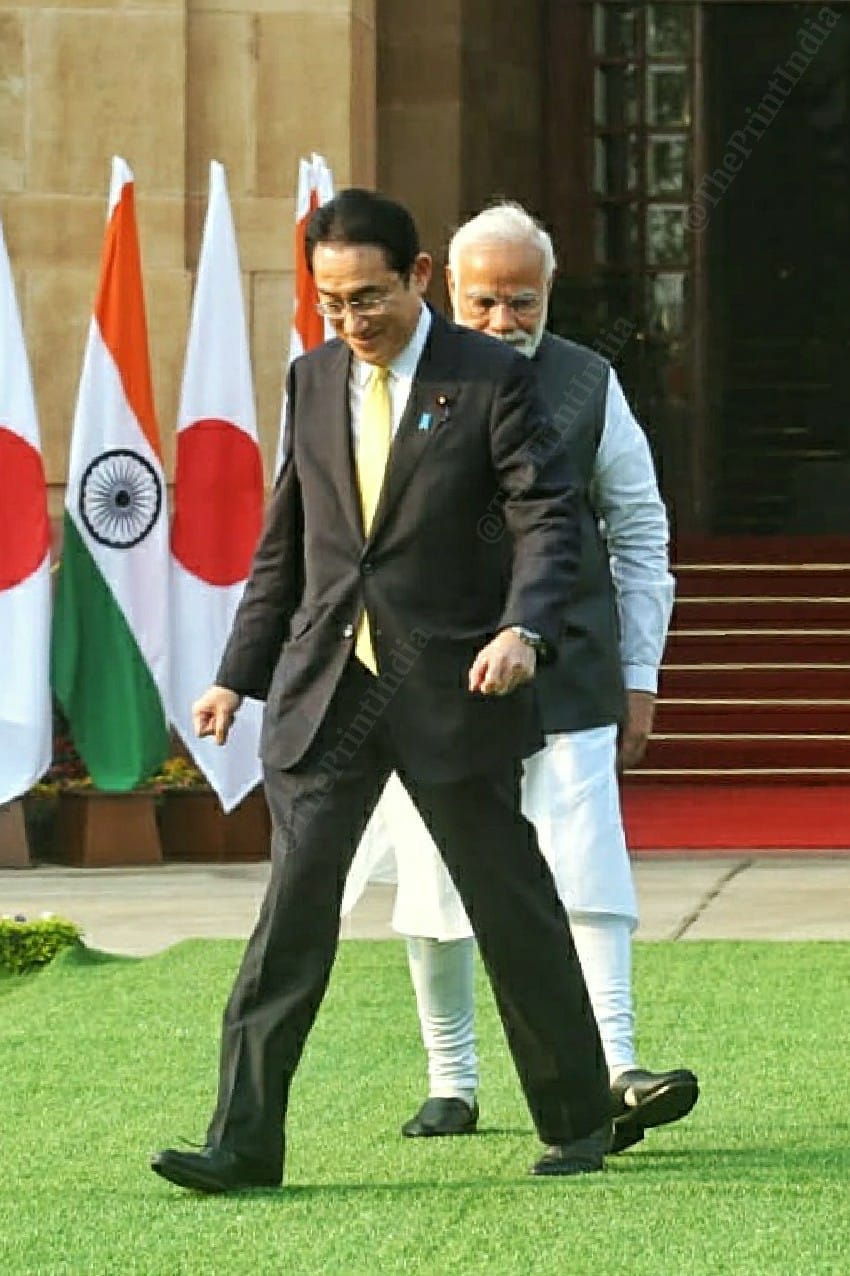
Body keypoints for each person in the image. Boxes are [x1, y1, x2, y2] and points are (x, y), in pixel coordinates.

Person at [151, 188, 612, 1195]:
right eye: (331, 303)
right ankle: (243, 1144)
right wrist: (239, 671)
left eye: (369, 297)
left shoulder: (487, 376)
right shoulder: (311, 379)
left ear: (419, 277)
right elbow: (291, 541)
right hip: (328, 691)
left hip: (455, 683)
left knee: (510, 904)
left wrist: (523, 625)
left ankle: (580, 1116)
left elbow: (546, 513)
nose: (351, 321)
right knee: (292, 916)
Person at [347, 201, 698, 1156]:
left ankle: (616, 1065)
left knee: (586, 867)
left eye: (524, 301)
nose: (504, 320)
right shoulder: (398, 380)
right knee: (434, 874)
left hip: (568, 665)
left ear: (551, 295)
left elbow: (638, 530)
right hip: (432, 671)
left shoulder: (589, 382)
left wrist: (640, 674)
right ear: (446, 291)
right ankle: (450, 1079)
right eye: (485, 301)